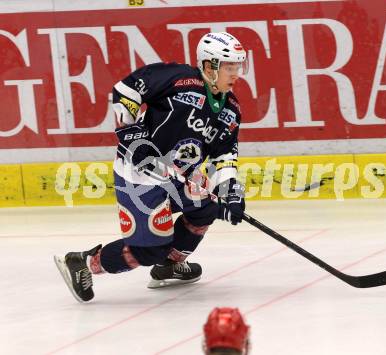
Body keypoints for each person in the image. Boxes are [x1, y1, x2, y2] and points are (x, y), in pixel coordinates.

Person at [54, 32, 248, 303]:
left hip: (180, 175)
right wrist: (133, 135)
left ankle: (169, 265)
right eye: (230, 67)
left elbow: (224, 155)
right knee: (149, 251)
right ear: (208, 66)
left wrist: (230, 192)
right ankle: (82, 263)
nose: (236, 73)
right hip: (140, 174)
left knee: (206, 210)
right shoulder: (178, 78)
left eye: (239, 66)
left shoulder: (231, 109)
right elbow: (126, 89)